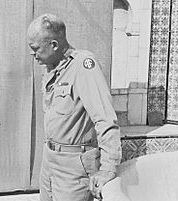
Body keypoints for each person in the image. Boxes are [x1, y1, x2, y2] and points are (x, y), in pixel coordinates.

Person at [27, 13, 122, 201]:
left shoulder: (83, 66)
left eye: (35, 48)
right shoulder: (53, 68)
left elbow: (105, 119)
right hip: (50, 159)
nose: (32, 53)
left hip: (75, 165)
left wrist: (108, 168)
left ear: (54, 45)